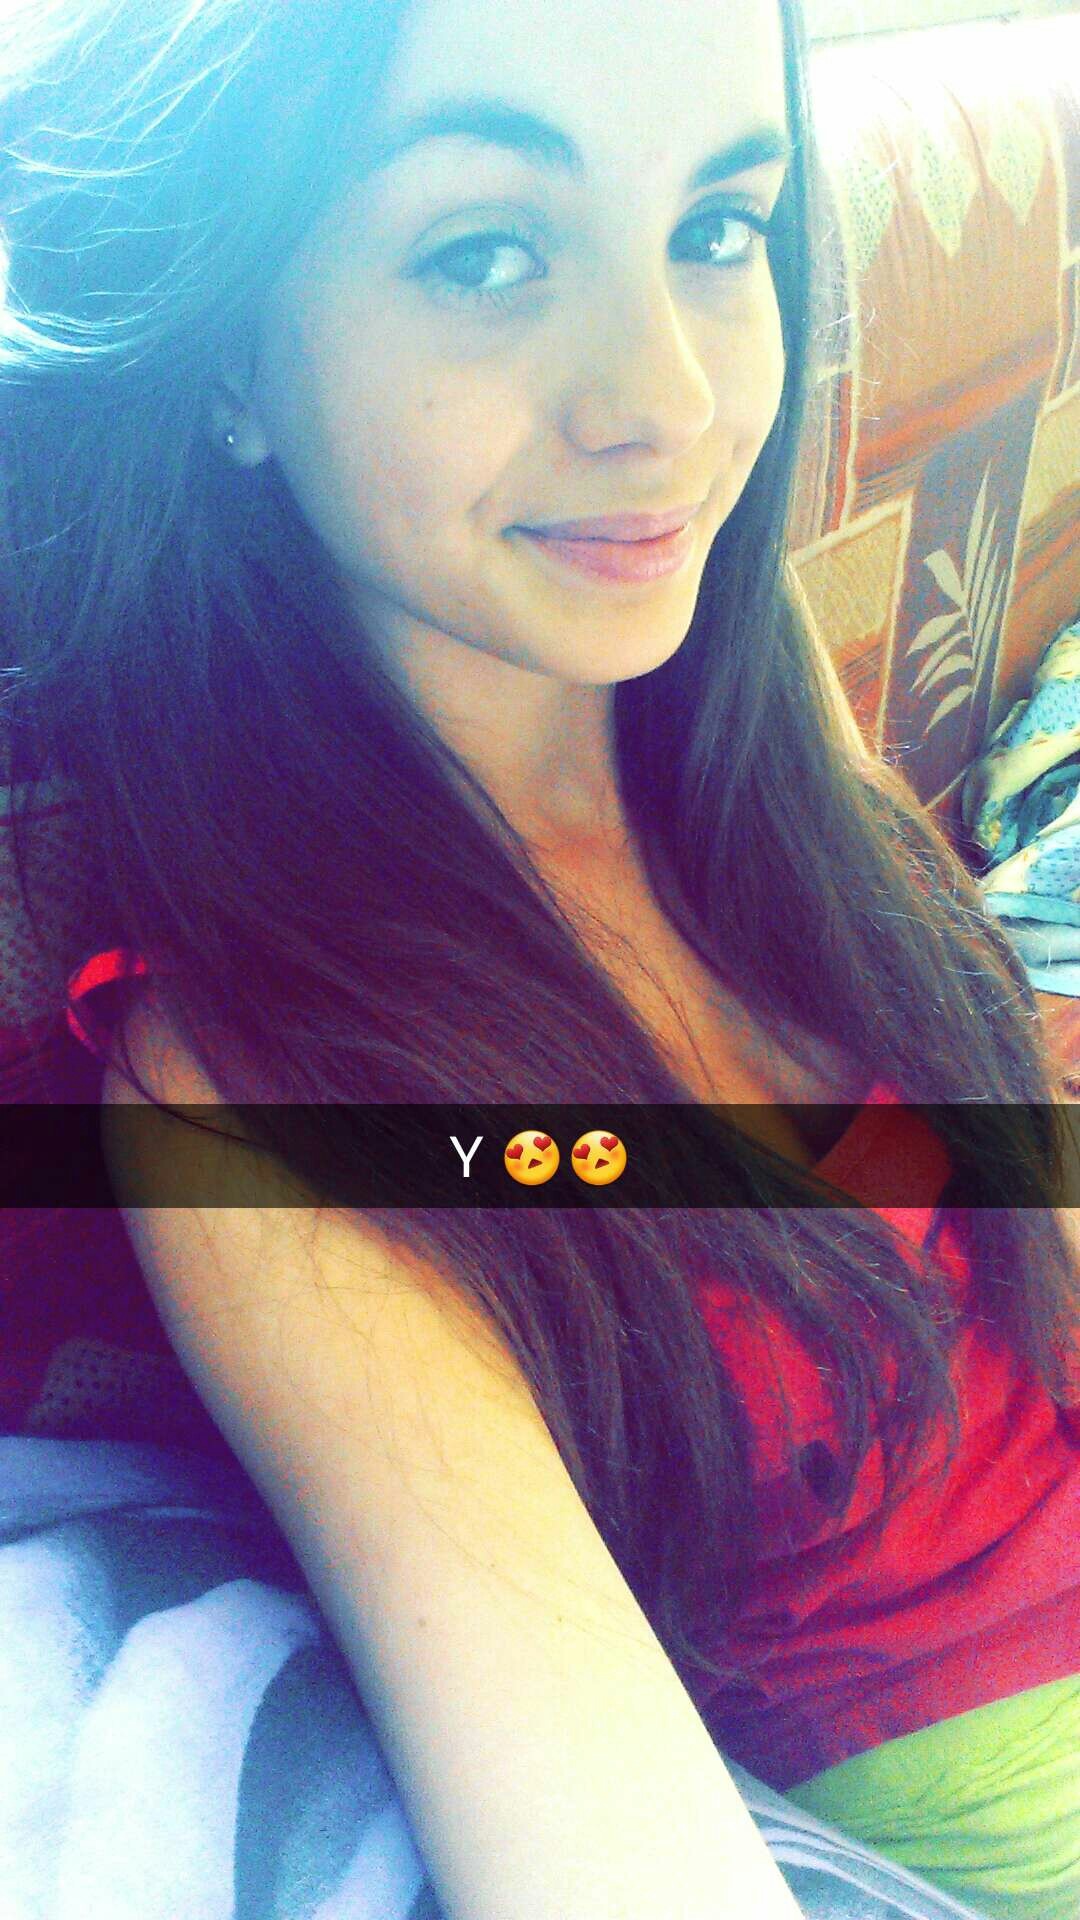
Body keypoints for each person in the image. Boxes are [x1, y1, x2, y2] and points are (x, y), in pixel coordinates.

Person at [1, 0, 1078, 1915]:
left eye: (720, 229)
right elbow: (589, 1818)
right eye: (488, 253)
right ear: (237, 356)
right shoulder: (259, 1084)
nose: (670, 398)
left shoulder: (741, 717)